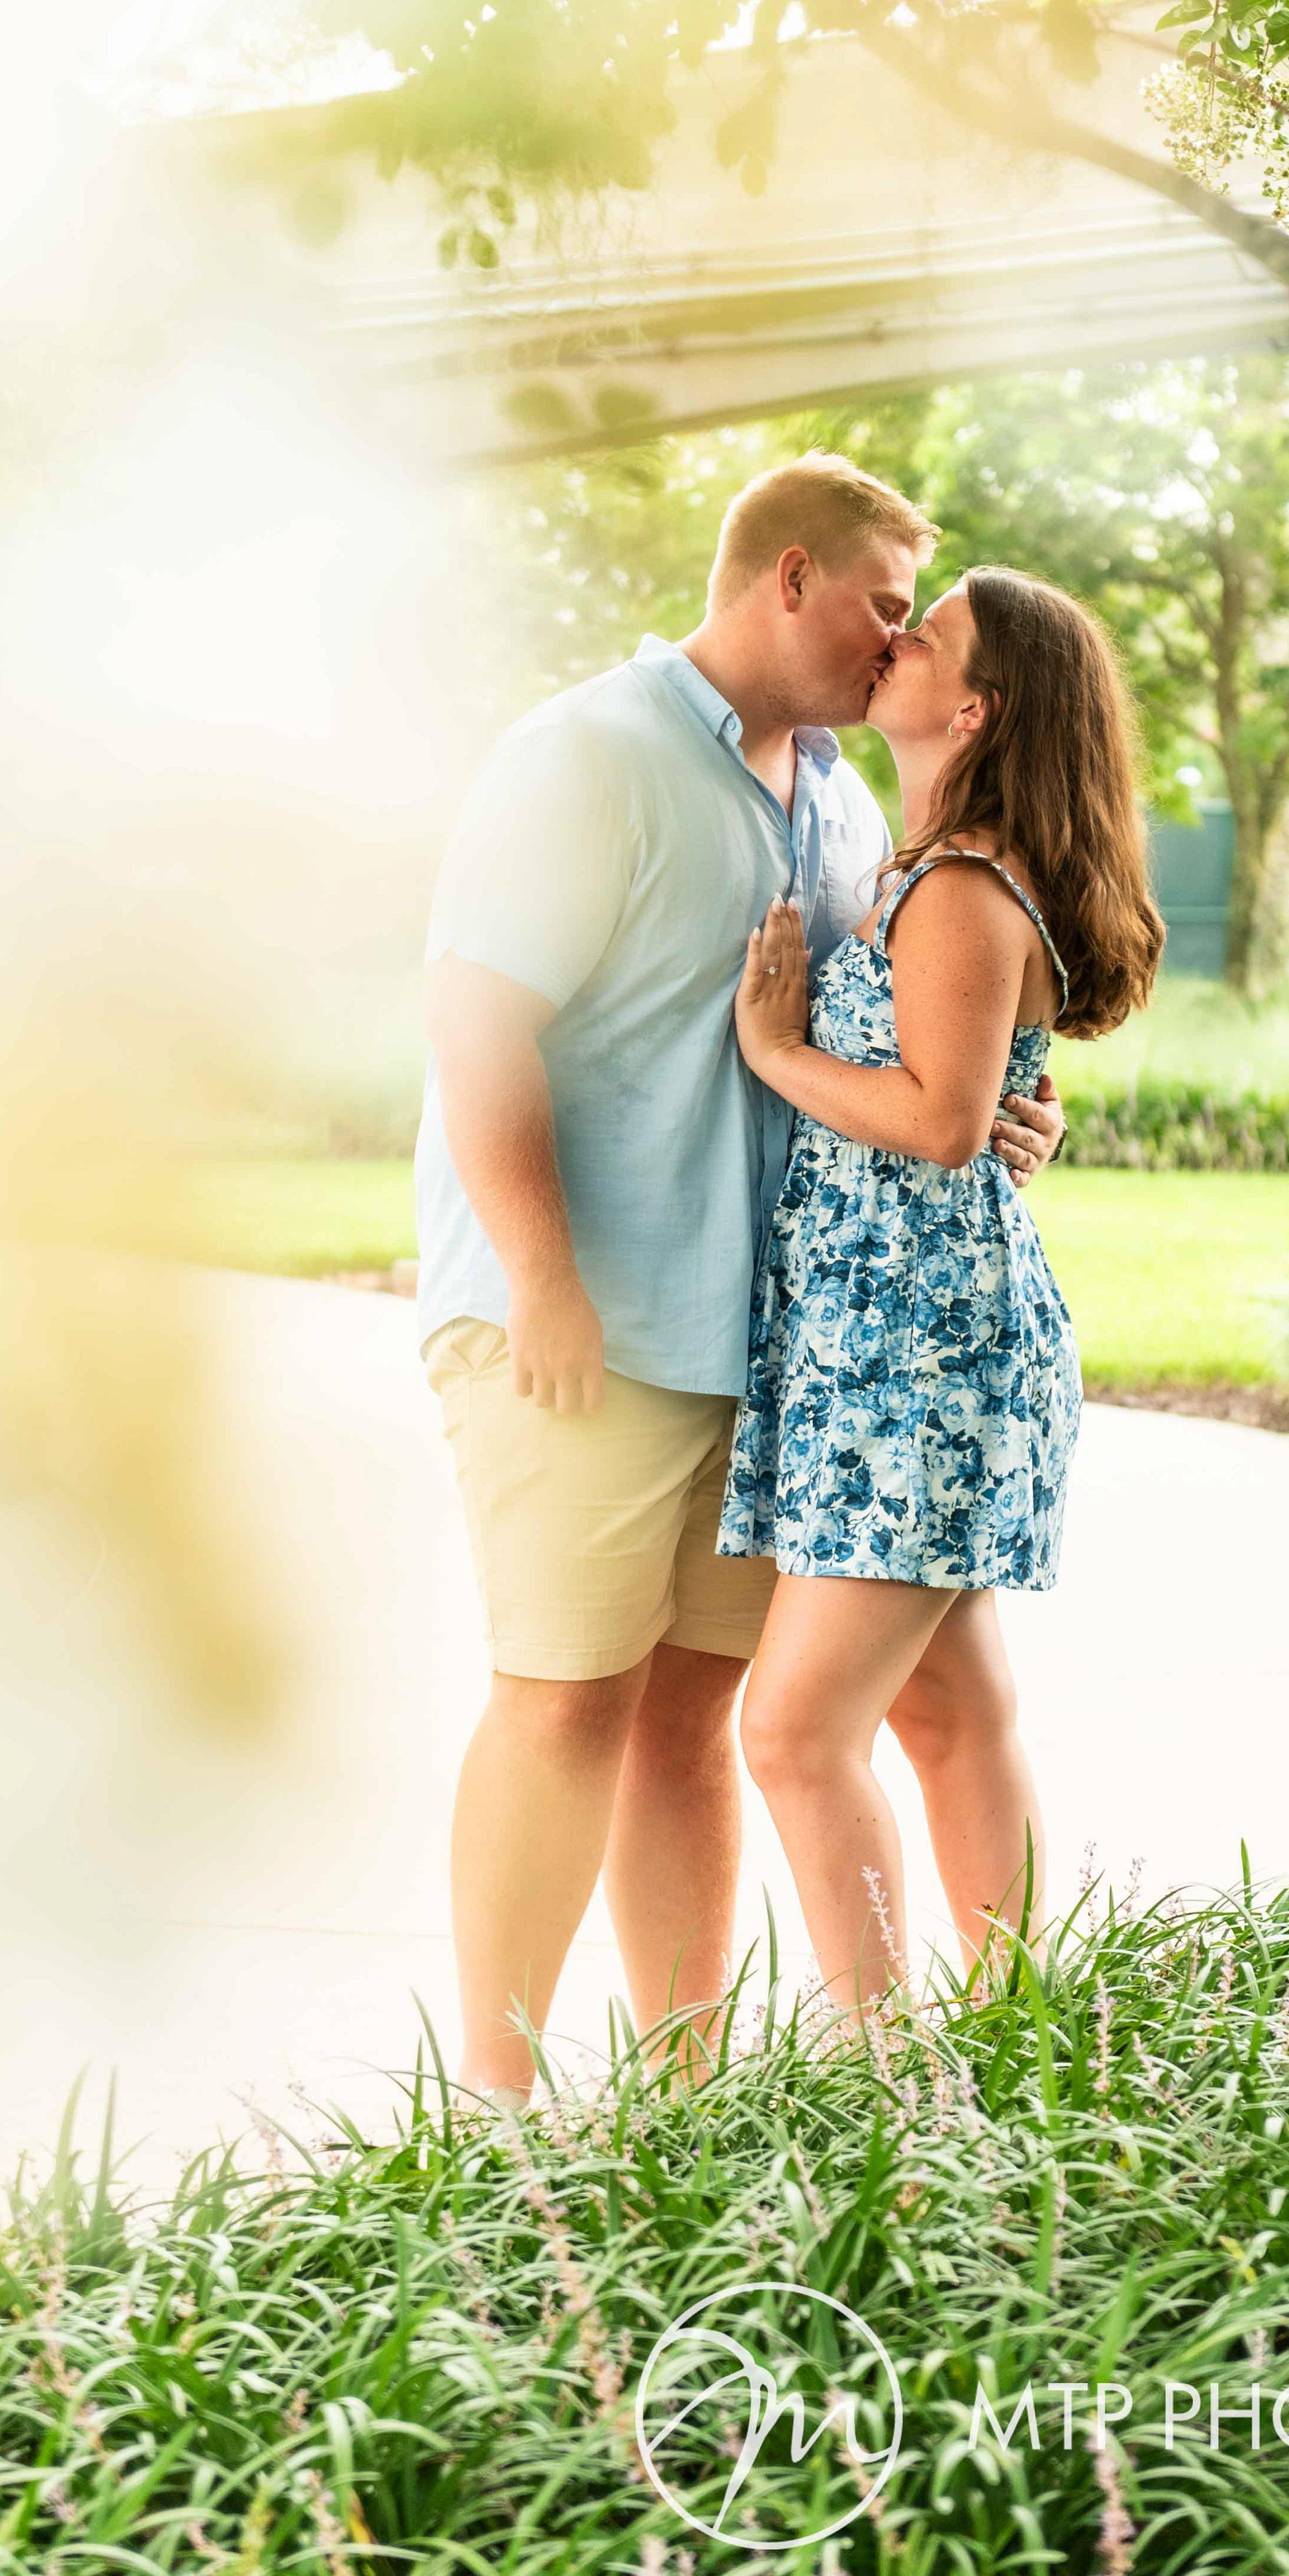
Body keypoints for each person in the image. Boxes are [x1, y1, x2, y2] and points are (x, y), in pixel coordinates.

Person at [415, 458, 1066, 2105]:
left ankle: (682, 2099)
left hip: (773, 1355)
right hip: (580, 1327)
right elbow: (479, 1021)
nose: (893, 640)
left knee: (685, 1726)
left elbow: (904, 1047)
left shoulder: (845, 804)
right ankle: (493, 2105)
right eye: (882, 607)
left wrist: (996, 1111)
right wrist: (540, 1275)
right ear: (791, 577)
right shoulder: (587, 756)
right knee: (562, 1702)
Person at [719, 564, 1165, 2023]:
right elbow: (985, 1111)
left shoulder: (964, 888)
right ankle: (1024, 2052)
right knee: (952, 1716)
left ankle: (882, 2088)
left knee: (793, 1734)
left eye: (930, 634)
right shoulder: (935, 870)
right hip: (903, 1335)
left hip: (921, 1351)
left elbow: (942, 1121)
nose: (896, 640)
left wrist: (780, 1052)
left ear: (971, 707)